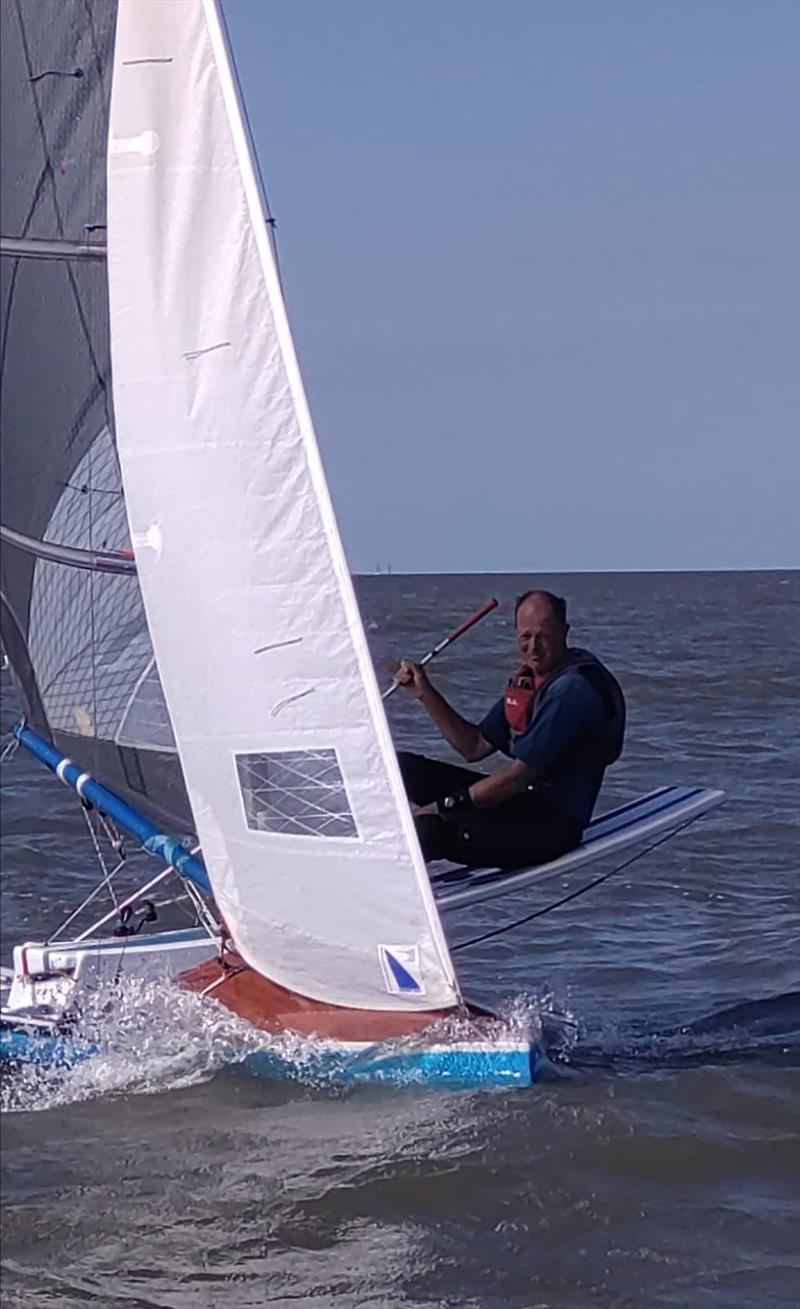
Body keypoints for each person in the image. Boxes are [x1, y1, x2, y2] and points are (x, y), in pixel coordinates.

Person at [394, 590, 625, 870]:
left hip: (550, 828)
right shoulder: (534, 681)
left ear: (565, 632)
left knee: (427, 832)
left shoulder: (573, 690)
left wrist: (440, 807)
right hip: (517, 804)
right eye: (525, 637)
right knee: (398, 768)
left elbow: (515, 778)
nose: (533, 647)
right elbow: (474, 746)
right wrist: (424, 693)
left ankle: (376, 902)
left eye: (544, 636)